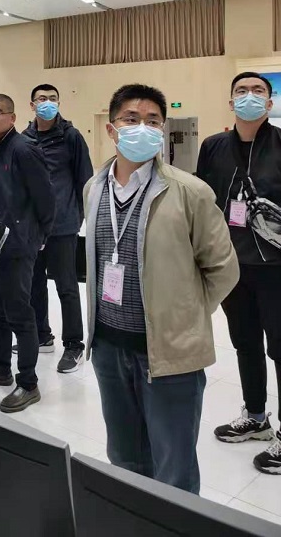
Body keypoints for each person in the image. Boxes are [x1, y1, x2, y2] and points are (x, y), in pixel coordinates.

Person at [84, 84, 238, 494]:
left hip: (169, 355)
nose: (143, 127)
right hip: (108, 349)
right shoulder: (93, 189)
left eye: (153, 121)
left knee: (175, 470)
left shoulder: (190, 192)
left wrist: (185, 314)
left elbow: (223, 268)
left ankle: (175, 523)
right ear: (111, 129)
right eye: (131, 119)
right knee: (125, 459)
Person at [197, 71, 281, 475]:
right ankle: (256, 416)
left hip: (276, 267)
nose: (250, 96)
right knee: (245, 343)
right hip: (231, 264)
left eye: (258, 91)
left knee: (280, 348)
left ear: (270, 102)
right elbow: (202, 202)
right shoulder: (213, 147)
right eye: (241, 91)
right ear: (231, 102)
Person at [0, 94, 56, 413]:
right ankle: (0, 368)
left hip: (16, 245)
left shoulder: (23, 149)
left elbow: (46, 198)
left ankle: (28, 383)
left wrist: (39, 236)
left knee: (20, 313)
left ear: (13, 118)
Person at [22, 84, 93, 373]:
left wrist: (78, 217)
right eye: (42, 99)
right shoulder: (25, 138)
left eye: (53, 99)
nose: (47, 103)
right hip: (32, 226)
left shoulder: (71, 136)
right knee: (34, 283)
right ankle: (42, 336)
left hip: (63, 225)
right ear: (32, 105)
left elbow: (85, 179)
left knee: (66, 286)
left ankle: (74, 344)